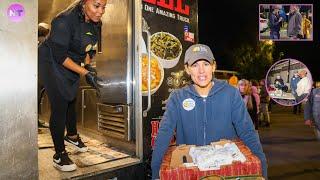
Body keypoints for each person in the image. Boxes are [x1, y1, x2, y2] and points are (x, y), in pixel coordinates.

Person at [151, 44, 267, 179]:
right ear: (187, 69)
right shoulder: (178, 97)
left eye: (206, 64)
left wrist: (262, 166)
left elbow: (247, 131)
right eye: (195, 65)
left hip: (227, 172)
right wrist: (156, 172)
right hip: (191, 172)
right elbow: (164, 133)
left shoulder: (230, 94)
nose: (201, 71)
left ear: (213, 66)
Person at [38, 0, 107, 172]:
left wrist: (87, 66)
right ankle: (59, 155)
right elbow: (60, 56)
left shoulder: (96, 23)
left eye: (104, 7)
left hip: (71, 61)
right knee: (60, 102)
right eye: (97, 6)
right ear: (84, 4)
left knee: (71, 96)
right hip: (51, 61)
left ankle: (72, 136)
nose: (101, 11)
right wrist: (85, 73)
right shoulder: (63, 21)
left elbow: (89, 49)